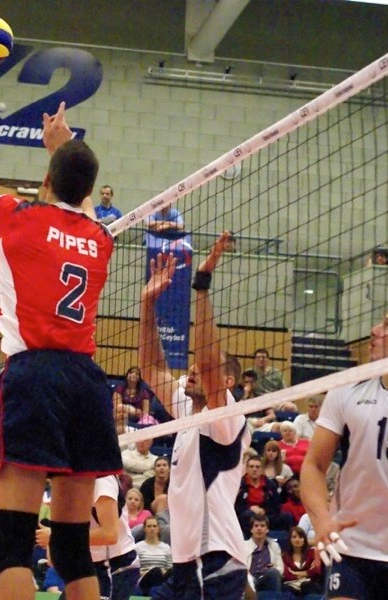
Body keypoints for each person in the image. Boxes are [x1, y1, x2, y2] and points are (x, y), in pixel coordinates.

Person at [0, 95, 123, 600]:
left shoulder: (22, 218)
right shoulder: (100, 236)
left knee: (12, 542)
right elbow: (81, 204)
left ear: (46, 182)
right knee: (72, 548)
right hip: (88, 384)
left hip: (35, 376)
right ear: (89, 189)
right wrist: (63, 146)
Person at [140, 232, 250, 600]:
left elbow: (207, 360)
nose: (190, 371)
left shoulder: (228, 415)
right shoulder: (189, 407)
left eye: (198, 372)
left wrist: (200, 286)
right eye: (189, 369)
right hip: (188, 562)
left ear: (226, 380)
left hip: (213, 558)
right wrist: (147, 304)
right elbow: (151, 368)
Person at [301, 298, 388, 600]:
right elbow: (314, 466)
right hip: (349, 550)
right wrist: (322, 521)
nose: (374, 330)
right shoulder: (347, 389)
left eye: (387, 325)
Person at [37, 475, 140, 600]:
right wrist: (53, 542)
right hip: (87, 563)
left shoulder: (102, 480)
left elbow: (110, 535)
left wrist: (59, 537)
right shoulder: (64, 482)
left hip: (115, 565)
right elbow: (53, 559)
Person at [236, 456, 292, 537]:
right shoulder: (239, 485)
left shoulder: (270, 485)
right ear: (247, 469)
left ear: (262, 469)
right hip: (246, 516)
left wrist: (264, 510)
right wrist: (250, 508)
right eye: (251, 467)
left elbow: (276, 505)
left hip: (267, 515)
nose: (254, 469)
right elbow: (235, 506)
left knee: (287, 517)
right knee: (247, 515)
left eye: (257, 467)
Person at [244, 514, 283, 593]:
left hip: (266, 577)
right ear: (251, 529)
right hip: (250, 579)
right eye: (256, 526)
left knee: (274, 572)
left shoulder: (274, 546)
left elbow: (281, 568)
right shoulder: (243, 545)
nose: (259, 528)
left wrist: (274, 568)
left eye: (262, 526)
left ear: (267, 530)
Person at [134, 516, 172, 595]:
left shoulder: (166, 547)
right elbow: (134, 568)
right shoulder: (137, 547)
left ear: (158, 529)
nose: (152, 529)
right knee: (156, 571)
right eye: (149, 526)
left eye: (154, 526)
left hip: (162, 578)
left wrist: (164, 572)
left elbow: (169, 567)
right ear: (144, 529)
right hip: (144, 579)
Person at [281, 526, 322, 596]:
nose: (298, 539)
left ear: (304, 539)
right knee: (286, 591)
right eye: (294, 537)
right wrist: (307, 573)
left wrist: (295, 572)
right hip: (290, 584)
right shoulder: (284, 556)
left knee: (306, 586)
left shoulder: (312, 553)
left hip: (309, 583)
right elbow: (287, 575)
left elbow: (316, 571)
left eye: (300, 537)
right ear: (290, 540)